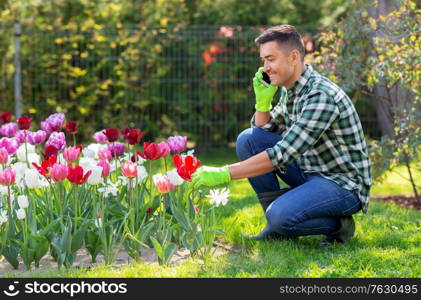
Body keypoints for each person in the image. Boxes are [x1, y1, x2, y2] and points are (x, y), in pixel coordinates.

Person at [192, 24, 372, 246]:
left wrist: (223, 173)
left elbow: (281, 154)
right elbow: (261, 135)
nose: (265, 67)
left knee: (280, 216)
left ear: (293, 57)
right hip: (310, 171)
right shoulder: (292, 90)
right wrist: (263, 102)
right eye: (263, 61)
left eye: (270, 59)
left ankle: (338, 225)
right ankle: (276, 225)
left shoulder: (320, 96)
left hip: (342, 184)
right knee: (248, 139)